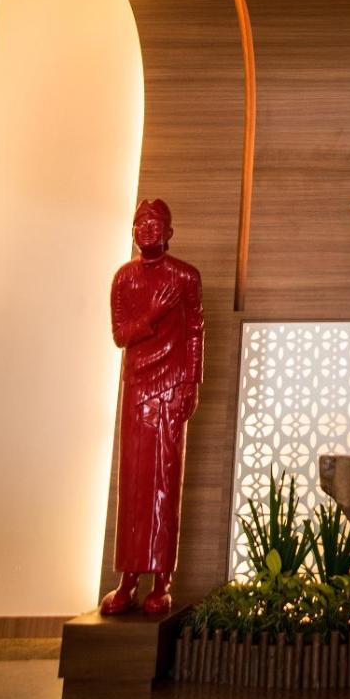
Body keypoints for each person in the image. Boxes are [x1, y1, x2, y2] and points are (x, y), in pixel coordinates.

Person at [100, 198, 203, 617]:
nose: (146, 229)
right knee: (134, 483)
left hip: (171, 386)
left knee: (164, 481)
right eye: (140, 223)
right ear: (133, 232)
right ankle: (128, 578)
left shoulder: (185, 276)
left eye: (154, 223)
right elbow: (120, 335)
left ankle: (162, 579)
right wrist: (154, 313)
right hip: (138, 386)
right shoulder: (124, 278)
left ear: (169, 232)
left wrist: (192, 383)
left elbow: (195, 330)